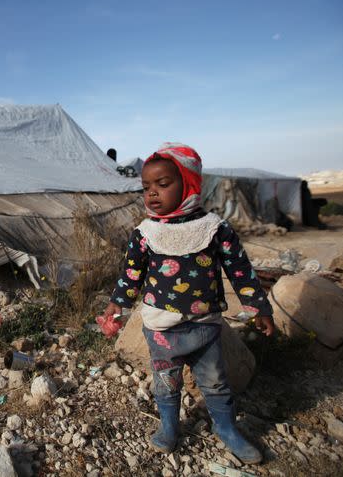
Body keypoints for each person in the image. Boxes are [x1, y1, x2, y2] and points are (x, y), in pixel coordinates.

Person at [101, 143, 274, 464]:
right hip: (162, 329)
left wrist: (258, 306)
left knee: (216, 382)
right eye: (146, 187)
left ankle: (226, 429)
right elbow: (131, 273)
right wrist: (117, 303)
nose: (152, 193)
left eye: (163, 184)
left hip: (204, 326)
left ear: (189, 183)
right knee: (166, 382)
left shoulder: (214, 228)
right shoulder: (145, 233)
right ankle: (169, 427)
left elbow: (240, 270)